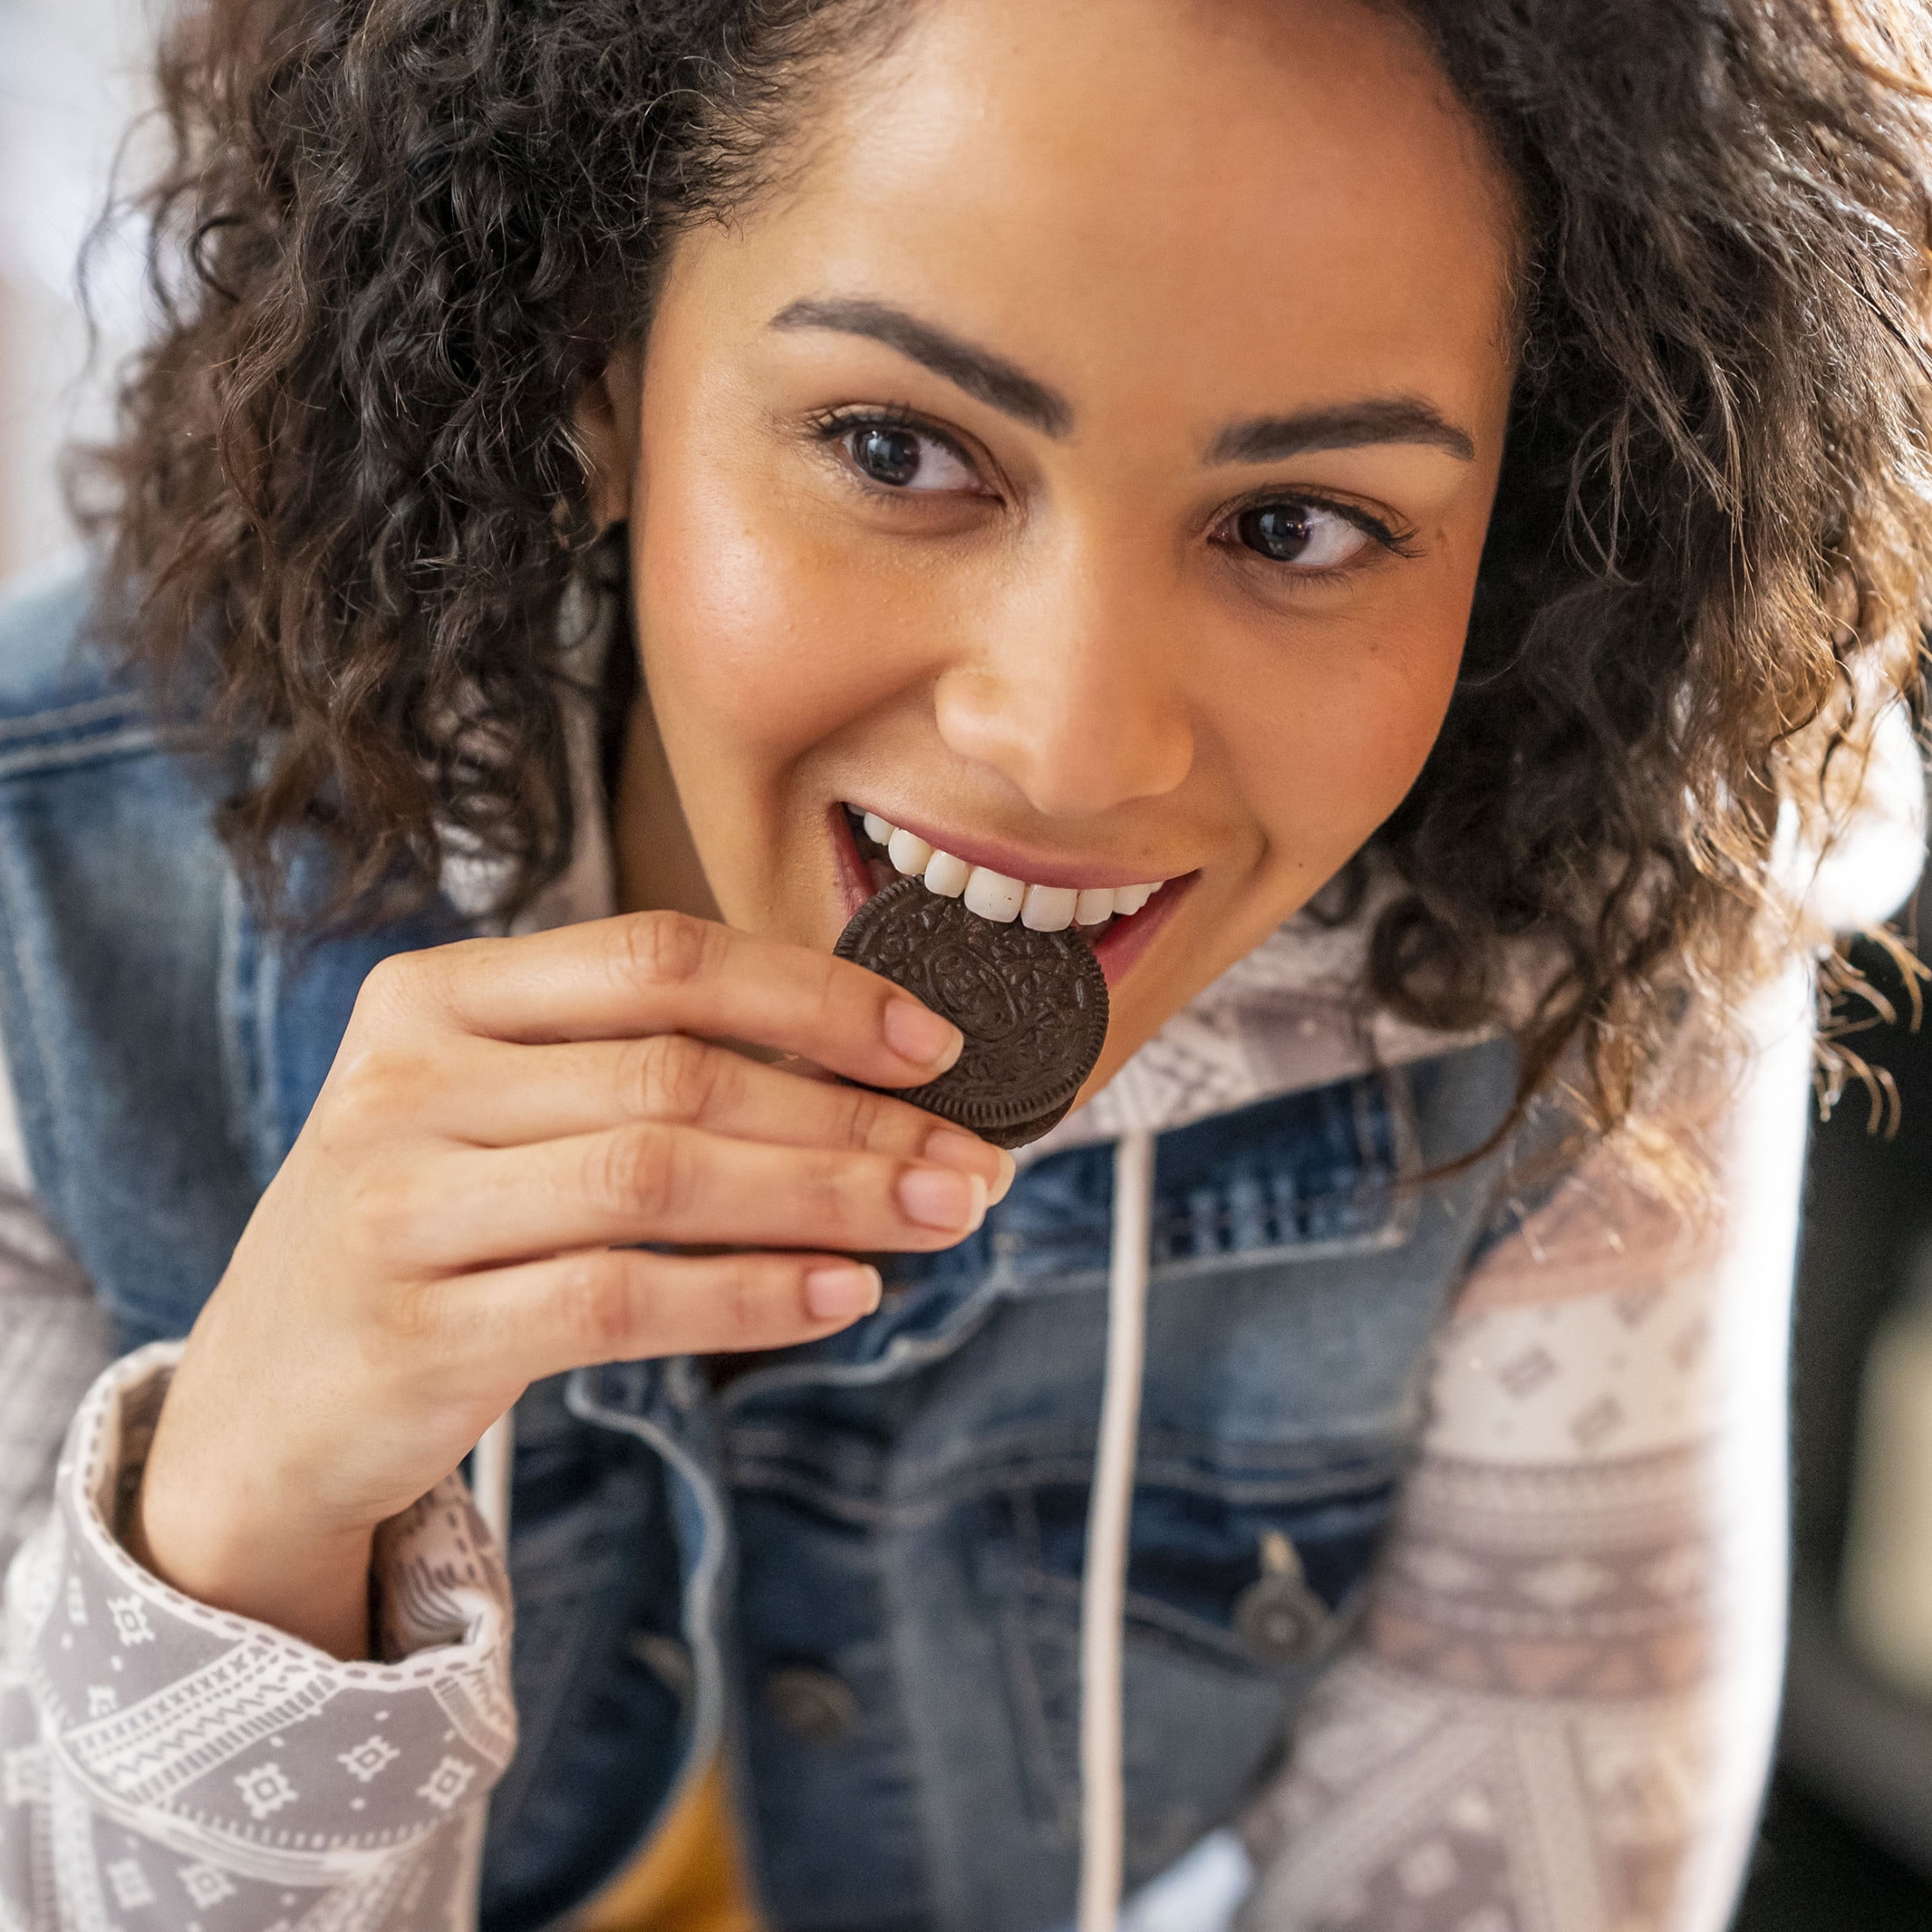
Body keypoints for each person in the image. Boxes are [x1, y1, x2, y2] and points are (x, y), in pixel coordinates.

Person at [2, 0, 1929, 1927]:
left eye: (1294, 523)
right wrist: (238, 1524)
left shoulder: (1581, 926)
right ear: (598, 364)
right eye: (896, 447)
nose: (1074, 743)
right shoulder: (42, 901)